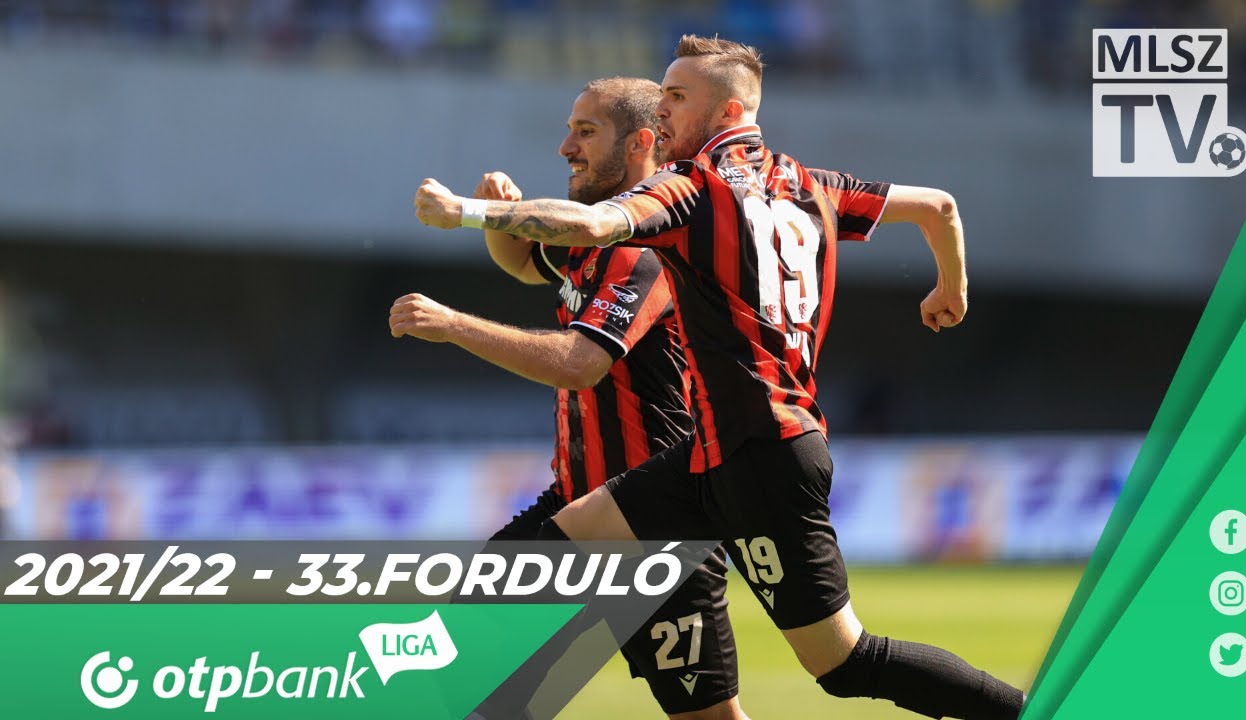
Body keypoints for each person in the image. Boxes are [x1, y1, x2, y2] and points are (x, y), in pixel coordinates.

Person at [412, 35, 1025, 720]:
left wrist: (467, 214)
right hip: (708, 456)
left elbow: (590, 225)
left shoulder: (695, 190)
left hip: (763, 452)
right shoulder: (810, 184)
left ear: (729, 109)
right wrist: (952, 287)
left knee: (844, 664)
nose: (665, 109)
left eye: (677, 96)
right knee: (553, 550)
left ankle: (1031, 712)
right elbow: (938, 207)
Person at [391, 77, 747, 720]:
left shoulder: (644, 252)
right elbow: (527, 263)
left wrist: (452, 324)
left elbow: (582, 365)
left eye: (586, 132)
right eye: (569, 129)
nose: (565, 147)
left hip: (651, 529)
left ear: (641, 143)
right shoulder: (596, 243)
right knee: (470, 675)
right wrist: (499, 213)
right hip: (579, 512)